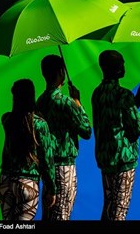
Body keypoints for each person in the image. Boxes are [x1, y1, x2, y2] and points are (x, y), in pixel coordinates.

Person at [91, 50, 140, 221]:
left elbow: (116, 116)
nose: (124, 66)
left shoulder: (97, 93)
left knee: (109, 205)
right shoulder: (123, 95)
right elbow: (138, 126)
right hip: (123, 161)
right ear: (117, 69)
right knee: (120, 210)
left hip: (105, 159)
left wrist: (137, 99)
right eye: (122, 63)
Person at [36, 54, 92, 220]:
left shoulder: (40, 101)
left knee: (48, 214)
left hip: (47, 168)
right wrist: (78, 102)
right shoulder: (65, 102)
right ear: (61, 72)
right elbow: (86, 131)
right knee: (62, 214)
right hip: (64, 168)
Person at [0, 79, 56, 220]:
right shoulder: (40, 124)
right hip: (27, 182)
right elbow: (47, 161)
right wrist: (51, 189)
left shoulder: (6, 119)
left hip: (5, 180)